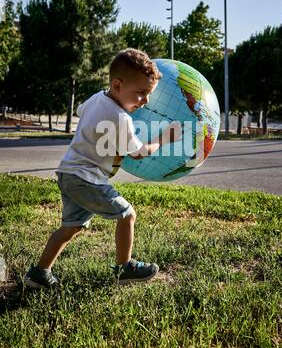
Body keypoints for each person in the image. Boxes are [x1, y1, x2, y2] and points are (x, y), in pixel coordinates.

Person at [25, 48, 181, 289]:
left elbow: (81, 111)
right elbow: (137, 153)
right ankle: (124, 268)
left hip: (69, 173)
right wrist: (164, 138)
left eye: (148, 94)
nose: (145, 101)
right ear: (118, 85)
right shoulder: (120, 117)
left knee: (70, 228)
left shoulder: (98, 98)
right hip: (87, 179)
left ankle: (39, 273)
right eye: (141, 94)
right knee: (127, 215)